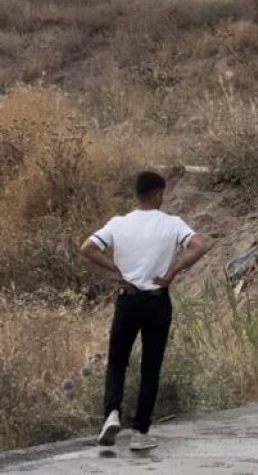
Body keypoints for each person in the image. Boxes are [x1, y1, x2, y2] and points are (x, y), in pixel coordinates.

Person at [78, 171, 212, 452]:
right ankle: (140, 431)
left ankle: (112, 414)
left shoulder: (118, 223)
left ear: (137, 195)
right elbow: (200, 244)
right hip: (157, 300)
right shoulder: (172, 223)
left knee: (117, 360)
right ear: (157, 194)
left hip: (128, 299)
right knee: (151, 367)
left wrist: (114, 269)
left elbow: (88, 247)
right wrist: (173, 270)